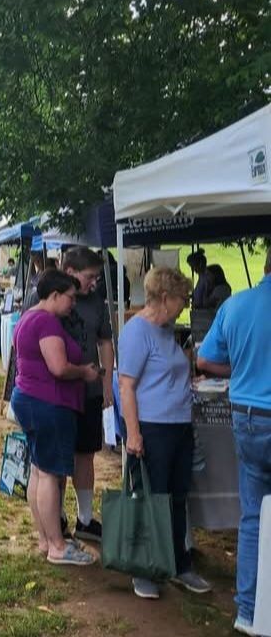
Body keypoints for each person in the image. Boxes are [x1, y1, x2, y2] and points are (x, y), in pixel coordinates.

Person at [119, 266, 211, 599]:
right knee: (151, 500)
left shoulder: (166, 330)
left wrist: (189, 382)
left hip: (179, 426)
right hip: (153, 428)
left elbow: (168, 373)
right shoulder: (136, 332)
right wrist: (133, 434)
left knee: (176, 498)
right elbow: (126, 385)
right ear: (164, 297)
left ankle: (178, 563)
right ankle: (144, 569)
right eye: (182, 298)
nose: (185, 304)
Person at [197, 248, 271, 635]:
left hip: (248, 418)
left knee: (254, 517)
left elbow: (205, 360)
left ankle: (248, 611)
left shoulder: (236, 304)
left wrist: (240, 368)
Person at [22, 247, 114, 543]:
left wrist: (106, 381)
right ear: (70, 273)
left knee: (84, 455)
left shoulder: (95, 302)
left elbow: (105, 341)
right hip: (55, 396)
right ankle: (55, 520)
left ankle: (85, 518)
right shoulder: (44, 303)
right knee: (54, 465)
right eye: (89, 277)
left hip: (84, 392)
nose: (93, 283)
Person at [10, 270, 99, 568]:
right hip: (49, 402)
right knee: (49, 474)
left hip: (31, 399)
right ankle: (57, 546)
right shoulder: (46, 321)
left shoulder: (27, 318)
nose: (73, 304)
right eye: (71, 298)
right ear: (55, 295)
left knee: (39, 471)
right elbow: (59, 367)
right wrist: (85, 372)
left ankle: (46, 539)